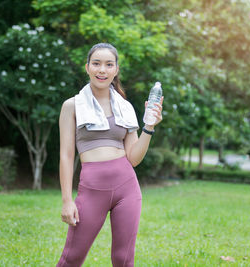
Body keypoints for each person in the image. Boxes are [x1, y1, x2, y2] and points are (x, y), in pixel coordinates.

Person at [56, 43, 163, 267]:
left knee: (123, 259)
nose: (102, 70)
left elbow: (133, 158)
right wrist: (67, 200)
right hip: (92, 189)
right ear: (87, 67)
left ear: (116, 70)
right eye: (96, 64)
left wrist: (149, 127)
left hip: (127, 188)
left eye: (108, 64)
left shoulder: (125, 107)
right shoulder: (72, 106)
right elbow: (66, 156)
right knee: (72, 258)